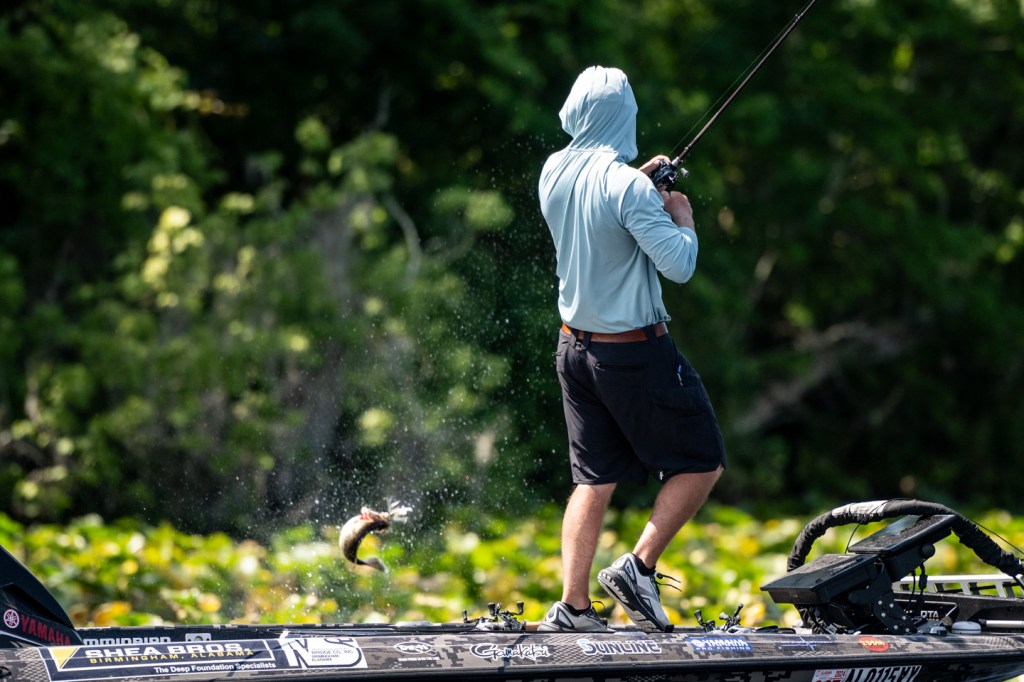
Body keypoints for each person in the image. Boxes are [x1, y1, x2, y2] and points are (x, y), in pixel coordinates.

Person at [536, 66, 727, 633]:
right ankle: (638, 568)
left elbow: (599, 206)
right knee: (702, 460)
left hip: (574, 351)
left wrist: (640, 182)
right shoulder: (629, 188)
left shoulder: (552, 170)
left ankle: (572, 608)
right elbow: (680, 264)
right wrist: (682, 216)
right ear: (627, 117)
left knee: (593, 479)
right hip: (633, 355)